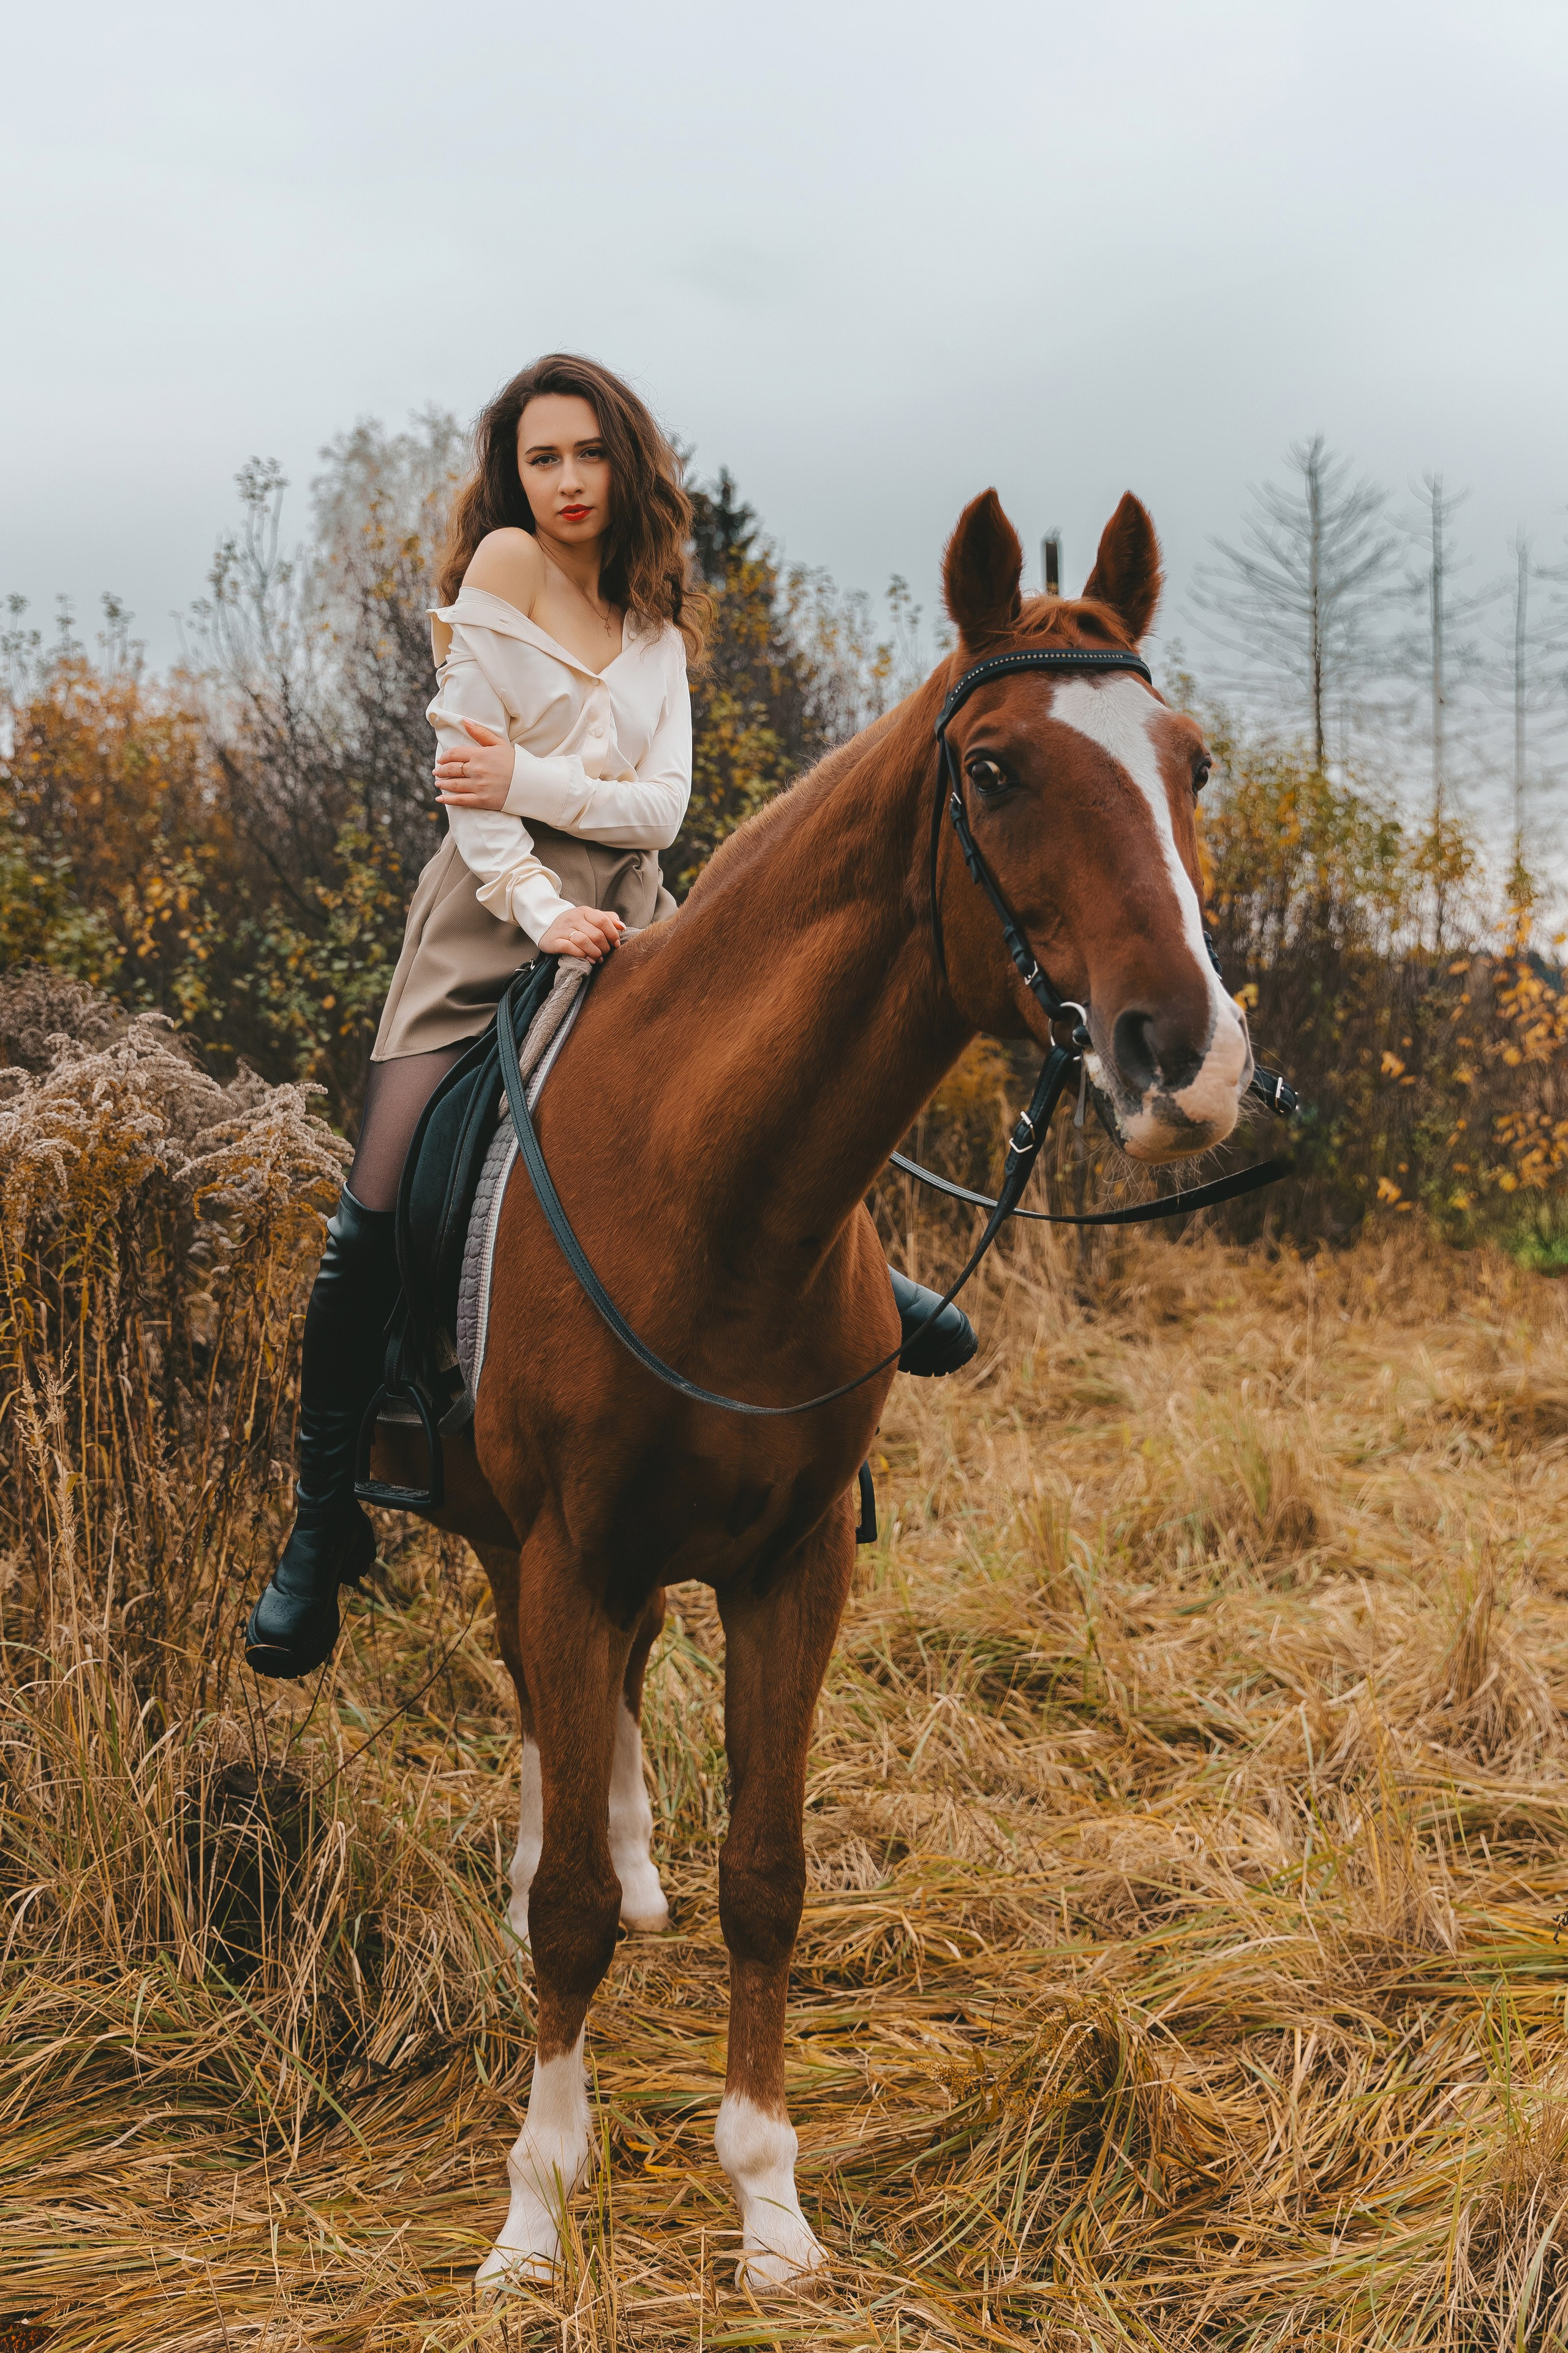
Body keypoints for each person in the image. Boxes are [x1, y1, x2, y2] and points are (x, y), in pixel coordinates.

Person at [244, 353, 974, 1683]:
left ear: (623, 463)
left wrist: (530, 777)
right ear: (510, 477)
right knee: (375, 1199)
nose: (566, 482)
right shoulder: (502, 581)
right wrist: (533, 902)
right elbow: (464, 799)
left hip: (640, 910)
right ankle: (319, 1524)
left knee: (763, 1093)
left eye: (587, 454)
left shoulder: (652, 619)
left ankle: (868, 1290)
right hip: (485, 914)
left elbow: (661, 813)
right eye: (540, 459)